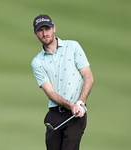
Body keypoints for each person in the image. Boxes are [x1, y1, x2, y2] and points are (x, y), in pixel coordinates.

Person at [31, 14, 94, 150]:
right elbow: (50, 92)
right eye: (40, 30)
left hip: (75, 113)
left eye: (47, 28)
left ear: (54, 28)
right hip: (54, 114)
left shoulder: (73, 47)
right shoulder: (37, 62)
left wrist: (80, 102)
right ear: (35, 34)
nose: (44, 33)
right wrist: (69, 105)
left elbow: (88, 76)